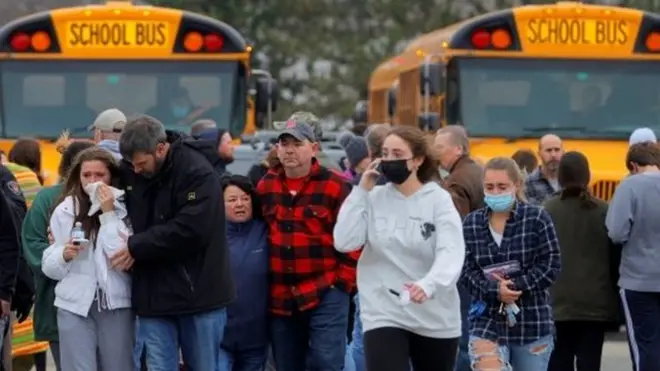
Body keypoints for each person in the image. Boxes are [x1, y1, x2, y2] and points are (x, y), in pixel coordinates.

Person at [334, 125, 463, 371]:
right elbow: (344, 241)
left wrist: (429, 284)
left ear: (417, 160)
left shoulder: (438, 200)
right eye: (385, 153)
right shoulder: (373, 197)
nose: (389, 160)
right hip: (384, 311)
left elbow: (451, 251)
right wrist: (361, 191)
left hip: (434, 315)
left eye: (397, 154)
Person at [116, 115, 234, 370]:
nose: (135, 171)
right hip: (153, 295)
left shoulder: (197, 171)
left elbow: (192, 229)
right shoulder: (129, 169)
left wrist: (137, 246)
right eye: (131, 165)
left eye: (141, 164)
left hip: (199, 294)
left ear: (160, 148)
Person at [256, 119, 356, 371]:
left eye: (297, 144)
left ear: (313, 148)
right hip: (280, 294)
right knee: (286, 364)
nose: (289, 150)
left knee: (327, 363)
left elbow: (355, 238)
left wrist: (342, 284)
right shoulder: (266, 185)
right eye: (284, 143)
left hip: (326, 289)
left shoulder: (336, 185)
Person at [461, 157, 561, 371]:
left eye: (502, 186)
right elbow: (465, 270)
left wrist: (516, 286)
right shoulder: (471, 224)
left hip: (531, 321)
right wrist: (494, 290)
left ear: (516, 185)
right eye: (489, 187)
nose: (496, 192)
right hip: (486, 317)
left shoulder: (537, 218)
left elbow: (551, 264)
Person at [41, 147, 134, 371]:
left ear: (111, 175)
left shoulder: (124, 207)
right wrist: (63, 255)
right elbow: (51, 266)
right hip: (74, 303)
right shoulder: (65, 209)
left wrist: (108, 213)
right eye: (87, 175)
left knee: (118, 366)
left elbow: (119, 253)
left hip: (115, 301)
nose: (93, 181)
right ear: (78, 177)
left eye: (99, 175)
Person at [21, 141, 95, 371]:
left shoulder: (106, 196)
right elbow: (35, 247)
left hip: (82, 307)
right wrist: (61, 257)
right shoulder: (49, 199)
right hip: (61, 305)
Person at [545, 152, 620, 371]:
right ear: (588, 176)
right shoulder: (604, 211)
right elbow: (614, 257)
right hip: (595, 304)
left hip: (557, 303)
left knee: (559, 360)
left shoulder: (548, 210)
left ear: (560, 177)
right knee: (590, 361)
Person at [433, 125, 484, 371]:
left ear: (458, 148)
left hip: (465, 266)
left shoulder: (456, 182)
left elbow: (453, 229)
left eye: (440, 148)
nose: (435, 153)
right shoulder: (478, 172)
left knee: (463, 332)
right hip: (483, 262)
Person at [606, 142, 660, 371]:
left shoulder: (629, 186)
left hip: (638, 280)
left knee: (645, 347)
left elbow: (616, 233)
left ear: (634, 166)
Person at [220, 175, 269, 371]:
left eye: (245, 198)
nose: (240, 204)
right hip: (219, 338)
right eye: (232, 200)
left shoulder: (266, 231)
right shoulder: (210, 235)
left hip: (256, 337)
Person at [525, 134, 564, 205]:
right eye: (548, 150)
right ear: (539, 154)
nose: (553, 155)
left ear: (563, 152)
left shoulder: (572, 181)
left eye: (557, 150)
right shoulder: (529, 183)